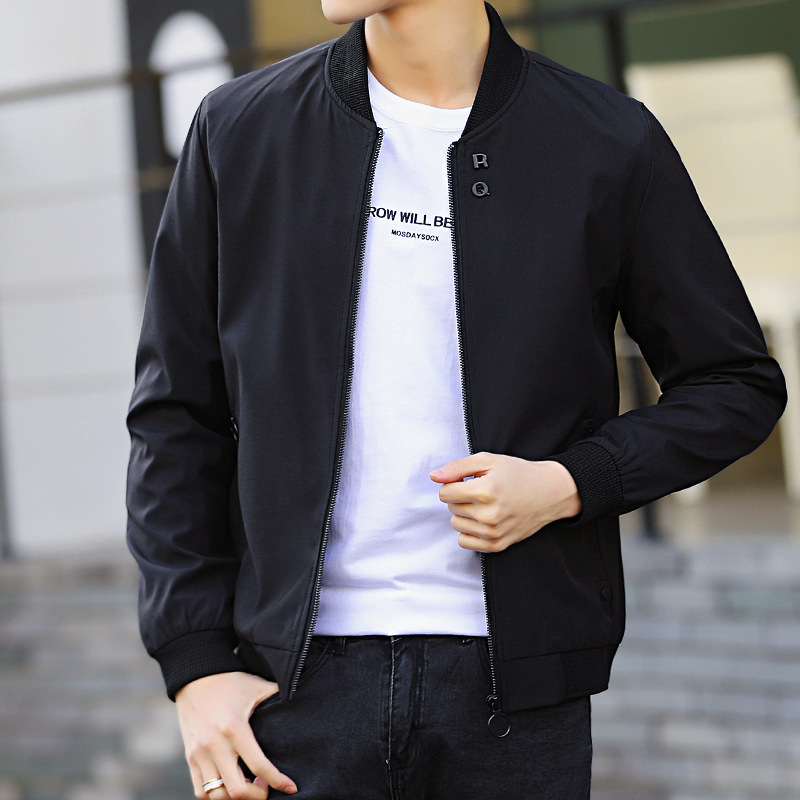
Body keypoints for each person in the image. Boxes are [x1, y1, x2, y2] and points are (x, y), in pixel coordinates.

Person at [126, 1, 786, 798]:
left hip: (513, 698)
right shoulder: (240, 130)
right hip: (290, 696)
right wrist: (196, 663)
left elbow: (735, 382)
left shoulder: (604, 139)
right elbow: (176, 414)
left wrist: (568, 483)